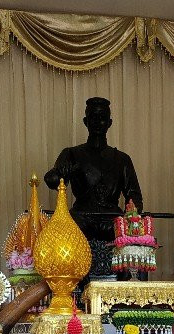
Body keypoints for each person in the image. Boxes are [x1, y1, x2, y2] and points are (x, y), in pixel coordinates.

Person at [44, 97, 143, 245]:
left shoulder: (122, 159)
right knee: (66, 229)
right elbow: (51, 181)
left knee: (121, 229)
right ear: (86, 121)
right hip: (82, 217)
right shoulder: (71, 153)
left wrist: (129, 217)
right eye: (93, 117)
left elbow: (134, 196)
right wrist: (63, 173)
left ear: (109, 123)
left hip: (111, 218)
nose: (98, 122)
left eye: (102, 118)